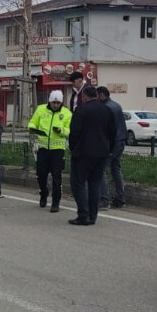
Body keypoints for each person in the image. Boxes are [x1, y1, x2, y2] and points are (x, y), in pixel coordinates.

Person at [67, 84, 116, 226]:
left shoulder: (81, 110)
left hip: (83, 153)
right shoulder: (107, 110)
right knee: (95, 184)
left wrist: (73, 148)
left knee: (78, 183)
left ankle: (83, 214)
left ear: (84, 97)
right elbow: (113, 133)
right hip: (102, 153)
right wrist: (109, 149)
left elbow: (74, 132)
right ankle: (92, 216)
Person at [29, 90, 72, 212]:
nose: (56, 105)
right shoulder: (41, 109)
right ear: (50, 101)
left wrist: (62, 131)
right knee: (40, 174)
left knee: (56, 176)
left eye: (58, 103)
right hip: (43, 148)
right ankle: (43, 193)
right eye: (54, 102)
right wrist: (32, 128)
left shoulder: (67, 113)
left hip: (57, 150)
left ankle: (55, 201)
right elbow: (33, 122)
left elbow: (70, 131)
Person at [96, 86, 127, 208]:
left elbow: (107, 128)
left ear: (102, 95)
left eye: (97, 95)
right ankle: (120, 198)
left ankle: (104, 200)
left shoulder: (106, 108)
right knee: (116, 169)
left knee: (101, 170)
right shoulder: (116, 105)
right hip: (120, 141)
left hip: (111, 143)